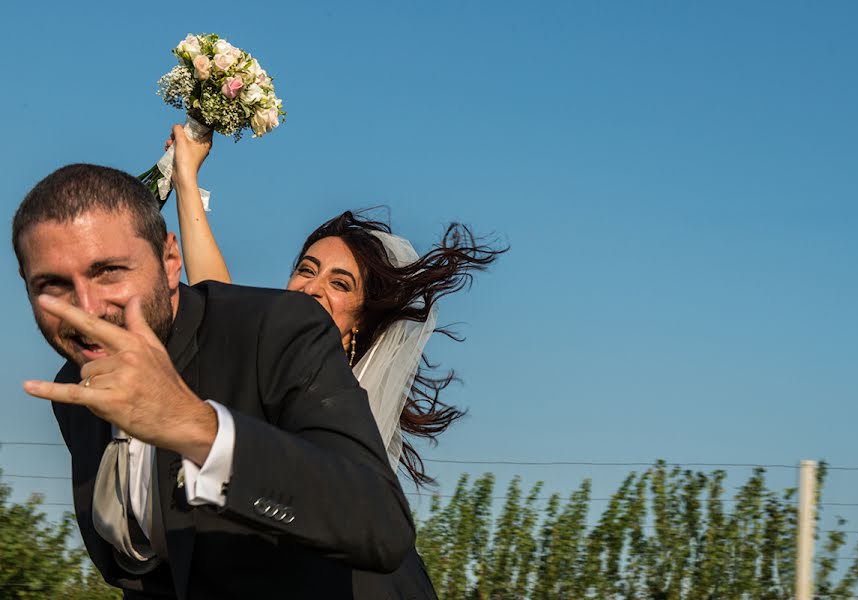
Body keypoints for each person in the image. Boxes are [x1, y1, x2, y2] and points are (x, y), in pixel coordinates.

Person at [13, 163, 418, 599]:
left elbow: (382, 524)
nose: (88, 309)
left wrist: (197, 428)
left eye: (108, 271)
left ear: (171, 262)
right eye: (52, 285)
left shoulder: (275, 329)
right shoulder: (71, 388)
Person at [168, 124, 506, 487]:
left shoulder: (342, 409)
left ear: (360, 319)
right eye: (306, 270)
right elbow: (218, 295)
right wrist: (186, 176)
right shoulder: (262, 366)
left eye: (340, 283)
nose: (312, 288)